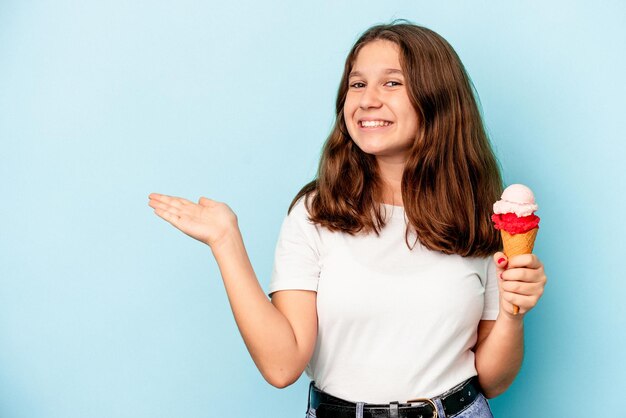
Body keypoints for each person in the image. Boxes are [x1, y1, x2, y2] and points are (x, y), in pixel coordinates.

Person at [148, 20, 547, 418]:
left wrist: (514, 312)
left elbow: (493, 379)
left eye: (392, 83)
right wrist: (225, 241)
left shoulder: (477, 215)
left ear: (437, 98)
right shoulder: (315, 213)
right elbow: (282, 365)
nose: (367, 100)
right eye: (357, 84)